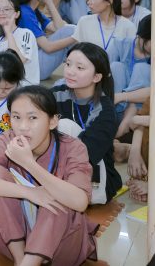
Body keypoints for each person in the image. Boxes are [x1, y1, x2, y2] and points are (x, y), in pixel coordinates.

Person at [0, 85, 99, 266]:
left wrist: (29, 163)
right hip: (12, 242)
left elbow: (80, 201)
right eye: (16, 117)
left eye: (33, 118)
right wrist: (30, 193)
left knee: (60, 194)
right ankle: (20, 259)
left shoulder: (73, 148)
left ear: (53, 121)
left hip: (60, 247)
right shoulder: (8, 139)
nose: (22, 127)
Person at [52, 43, 121, 204]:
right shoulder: (57, 94)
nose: (70, 71)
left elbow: (87, 155)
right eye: (68, 64)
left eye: (80, 68)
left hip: (95, 177)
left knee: (63, 126)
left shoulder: (105, 111)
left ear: (96, 77)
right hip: (60, 169)